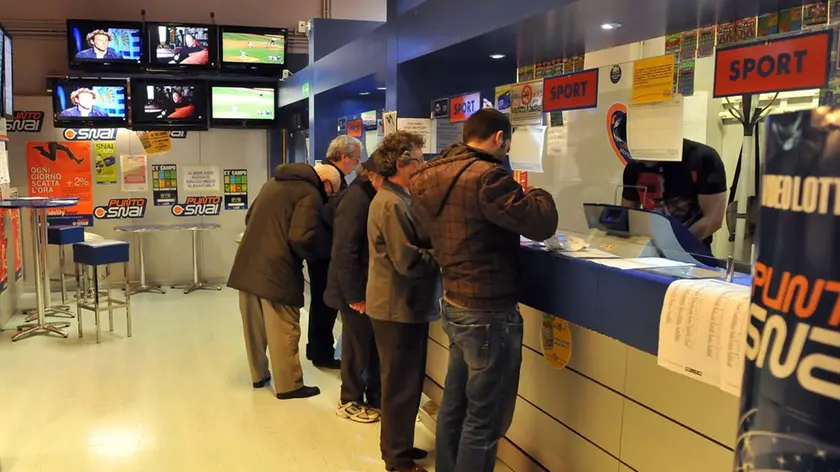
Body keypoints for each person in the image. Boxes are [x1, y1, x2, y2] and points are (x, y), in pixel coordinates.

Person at [410, 109, 558, 472]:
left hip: (455, 301)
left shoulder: (428, 176)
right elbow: (539, 223)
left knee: (455, 406)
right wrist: (537, 190)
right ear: (498, 138)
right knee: (485, 420)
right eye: (507, 144)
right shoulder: (487, 177)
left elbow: (426, 233)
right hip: (489, 310)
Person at [227, 162, 337, 400]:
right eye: (331, 192)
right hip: (277, 271)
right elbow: (301, 236)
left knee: (254, 329)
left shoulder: (271, 184)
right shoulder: (310, 193)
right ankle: (290, 385)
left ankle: (259, 376)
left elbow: (249, 218)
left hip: (247, 264)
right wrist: (324, 251)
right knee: (283, 327)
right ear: (325, 184)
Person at [367, 131, 440, 472]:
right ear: (401, 164)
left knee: (407, 383)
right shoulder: (392, 203)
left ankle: (401, 446)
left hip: (403, 305)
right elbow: (406, 259)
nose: (423, 165)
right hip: (397, 307)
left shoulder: (399, 198)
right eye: (419, 160)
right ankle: (396, 459)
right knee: (399, 385)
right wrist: (440, 256)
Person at [324, 155, 385, 424]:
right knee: (356, 347)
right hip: (354, 288)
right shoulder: (357, 199)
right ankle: (349, 400)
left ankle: (373, 398)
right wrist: (355, 296)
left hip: (366, 286)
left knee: (370, 347)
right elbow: (345, 250)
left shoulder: (368, 195)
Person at [305, 135, 362, 368]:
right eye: (356, 159)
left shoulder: (320, 172)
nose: (357, 165)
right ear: (344, 157)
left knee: (320, 302)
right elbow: (332, 215)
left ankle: (316, 349)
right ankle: (322, 353)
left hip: (317, 249)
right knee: (325, 304)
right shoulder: (332, 177)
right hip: (325, 251)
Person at [620, 138, 727, 250]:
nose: (638, 160)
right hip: (649, 248)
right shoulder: (633, 168)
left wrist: (672, 246)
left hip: (692, 251)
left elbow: (713, 220)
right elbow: (626, 216)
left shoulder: (701, 158)